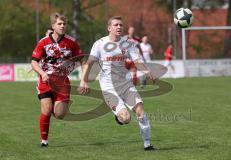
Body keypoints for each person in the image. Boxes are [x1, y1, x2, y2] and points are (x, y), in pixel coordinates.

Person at [78, 16, 156, 151]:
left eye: (121, 25)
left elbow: (137, 61)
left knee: (140, 111)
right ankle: (119, 117)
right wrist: (83, 80)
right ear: (109, 28)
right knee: (126, 118)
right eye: (115, 25)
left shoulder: (128, 43)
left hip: (125, 84)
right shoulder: (100, 44)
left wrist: (147, 71)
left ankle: (147, 144)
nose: (119, 27)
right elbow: (89, 63)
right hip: (108, 87)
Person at [31, 12, 84, 147]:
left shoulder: (71, 42)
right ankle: (44, 141)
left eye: (64, 24)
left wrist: (84, 80)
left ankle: (56, 106)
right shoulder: (43, 42)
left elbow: (82, 60)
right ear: (53, 26)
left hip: (62, 82)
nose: (62, 26)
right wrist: (42, 73)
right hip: (46, 80)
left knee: (60, 114)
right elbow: (34, 63)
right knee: (46, 110)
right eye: (59, 24)